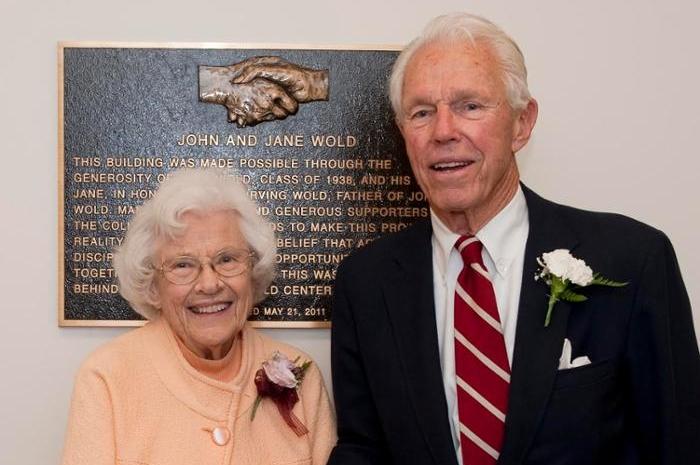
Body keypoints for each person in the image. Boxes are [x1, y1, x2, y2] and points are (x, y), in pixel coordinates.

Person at [328, 12, 700, 465]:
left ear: (522, 124)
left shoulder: (633, 260)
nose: (444, 131)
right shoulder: (366, 283)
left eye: (470, 105)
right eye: (422, 112)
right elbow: (363, 449)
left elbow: (679, 443)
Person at [61, 168, 336, 465]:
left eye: (227, 259)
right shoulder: (107, 377)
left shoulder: (300, 376)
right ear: (153, 285)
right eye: (183, 265)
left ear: (252, 271)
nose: (209, 284)